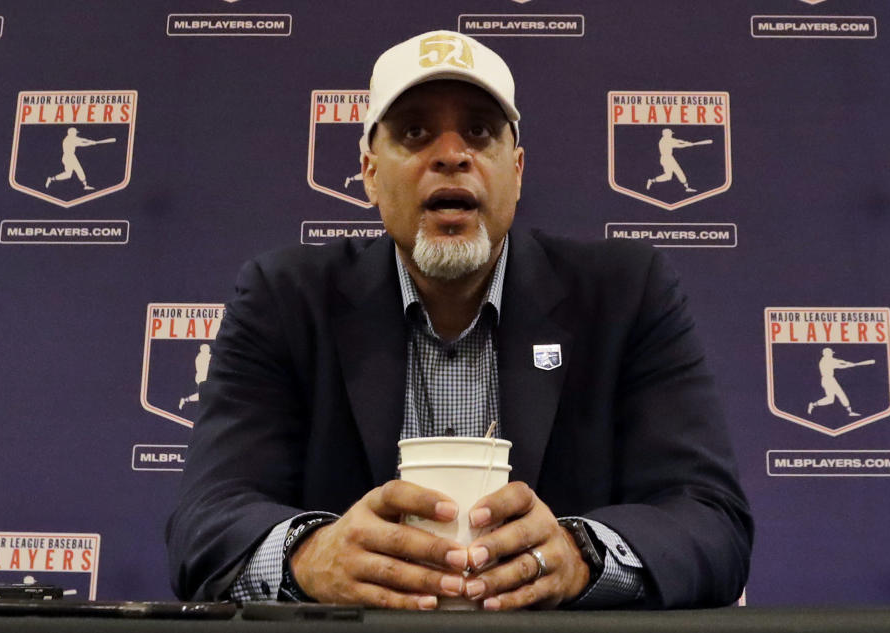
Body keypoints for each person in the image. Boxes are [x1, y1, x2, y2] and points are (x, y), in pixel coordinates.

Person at [167, 30, 752, 611]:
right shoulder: (284, 299)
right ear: (369, 172)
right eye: (415, 132)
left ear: (516, 170)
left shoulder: (626, 293)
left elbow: (709, 520)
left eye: (479, 130)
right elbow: (205, 522)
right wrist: (310, 557)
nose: (451, 154)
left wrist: (581, 558)